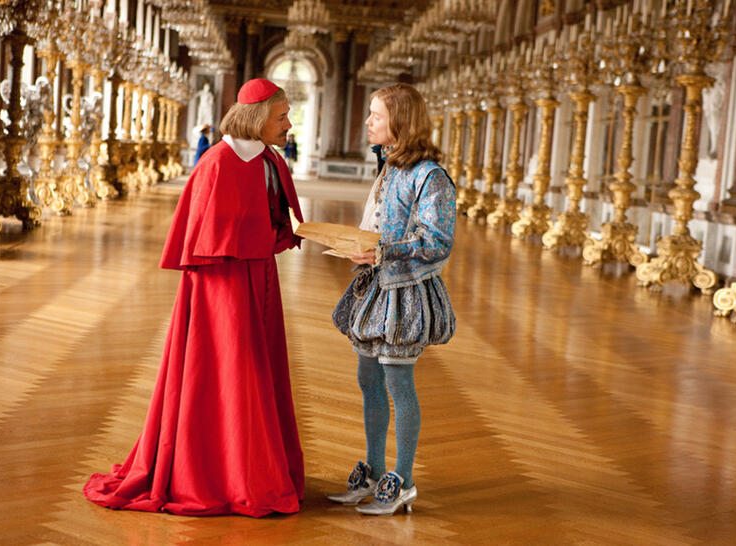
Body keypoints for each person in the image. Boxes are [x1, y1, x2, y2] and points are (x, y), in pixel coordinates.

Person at [83, 78, 305, 517]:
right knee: (227, 371)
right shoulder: (218, 162)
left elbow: (276, 220)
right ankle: (220, 473)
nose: (288, 125)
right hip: (220, 289)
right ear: (259, 118)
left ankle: (257, 468)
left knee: (261, 370)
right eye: (282, 118)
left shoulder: (269, 160)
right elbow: (203, 237)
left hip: (260, 280)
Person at [327, 83, 457, 516]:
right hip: (375, 286)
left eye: (376, 116)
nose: (368, 122)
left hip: (406, 292)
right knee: (368, 380)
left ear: (399, 122)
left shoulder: (429, 175)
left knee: (399, 384)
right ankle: (375, 469)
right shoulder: (390, 166)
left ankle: (403, 479)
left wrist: (383, 251)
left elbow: (437, 241)